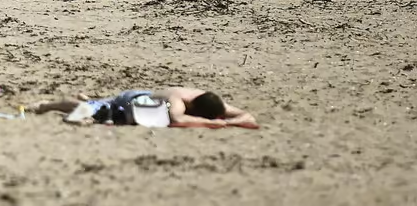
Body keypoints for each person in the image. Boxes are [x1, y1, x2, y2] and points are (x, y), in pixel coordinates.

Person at [34, 86, 257, 128]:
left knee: (98, 104)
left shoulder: (211, 100)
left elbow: (247, 116)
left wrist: (230, 120)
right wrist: (212, 123)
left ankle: (83, 100)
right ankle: (47, 105)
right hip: (135, 99)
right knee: (95, 107)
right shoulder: (178, 100)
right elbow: (178, 120)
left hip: (145, 101)